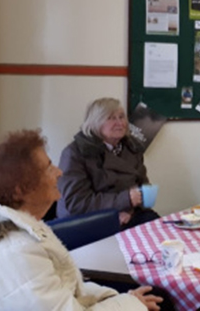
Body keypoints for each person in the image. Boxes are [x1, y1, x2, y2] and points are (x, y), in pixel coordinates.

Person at [0, 129, 163, 310]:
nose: (59, 172)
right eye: (49, 168)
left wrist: (118, 297)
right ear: (20, 190)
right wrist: (130, 303)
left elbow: (60, 288)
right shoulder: (18, 252)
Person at [58, 98, 160, 228]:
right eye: (111, 118)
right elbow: (77, 203)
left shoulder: (132, 148)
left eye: (122, 117)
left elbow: (143, 188)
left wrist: (130, 209)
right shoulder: (74, 154)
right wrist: (124, 202)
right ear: (95, 123)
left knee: (160, 229)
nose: (120, 123)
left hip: (130, 213)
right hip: (87, 221)